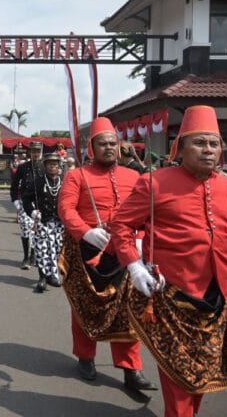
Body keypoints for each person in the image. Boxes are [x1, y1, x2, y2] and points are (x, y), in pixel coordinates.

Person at [110, 106, 227, 417]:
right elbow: (121, 225)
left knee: (202, 376)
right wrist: (135, 265)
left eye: (214, 144)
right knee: (179, 377)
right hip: (173, 296)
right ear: (180, 147)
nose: (208, 150)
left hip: (220, 297)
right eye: (199, 143)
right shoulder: (154, 183)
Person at [57, 117, 155, 391]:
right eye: (103, 143)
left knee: (128, 313)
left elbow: (146, 215)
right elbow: (66, 209)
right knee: (83, 308)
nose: (109, 148)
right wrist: (85, 231)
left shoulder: (134, 177)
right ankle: (86, 357)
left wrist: (140, 238)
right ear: (92, 147)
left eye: (113, 143)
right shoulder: (77, 176)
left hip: (126, 254)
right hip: (87, 252)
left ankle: (131, 369)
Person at [32, 152, 65, 291]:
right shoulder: (38, 181)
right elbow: (27, 199)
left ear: (59, 167)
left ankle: (53, 275)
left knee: (56, 249)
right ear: (45, 166)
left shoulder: (64, 181)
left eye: (55, 165)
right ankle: (42, 278)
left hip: (59, 222)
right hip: (43, 221)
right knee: (42, 249)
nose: (52, 167)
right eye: (49, 164)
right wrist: (32, 211)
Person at [10, 141, 44, 270]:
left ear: (40, 152)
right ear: (30, 152)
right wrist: (15, 200)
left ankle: (33, 256)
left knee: (38, 231)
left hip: (41, 203)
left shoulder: (44, 166)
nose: (36, 154)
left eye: (38, 151)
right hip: (25, 202)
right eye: (33, 151)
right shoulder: (23, 167)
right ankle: (25, 256)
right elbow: (14, 186)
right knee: (25, 229)